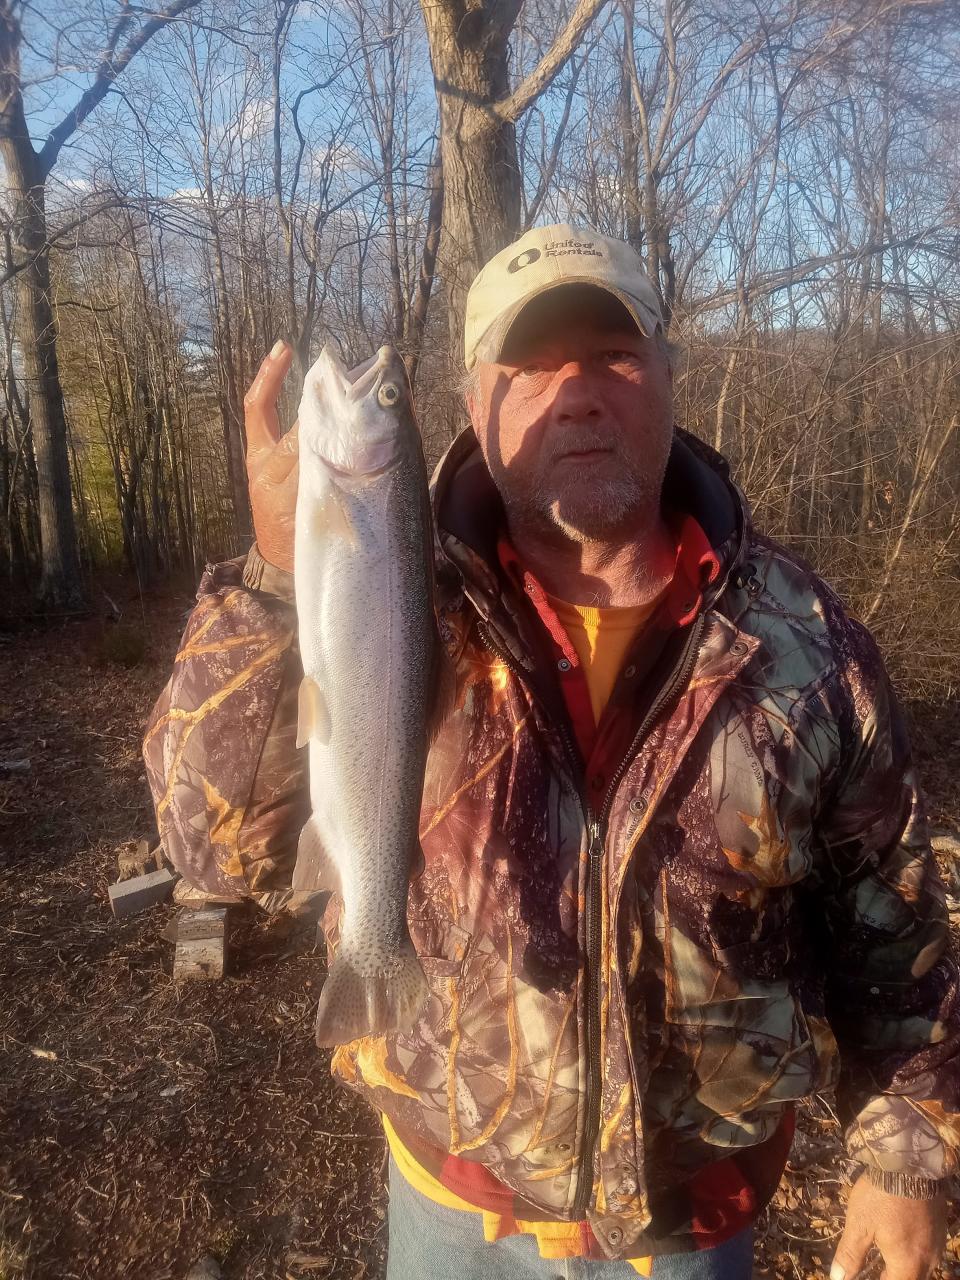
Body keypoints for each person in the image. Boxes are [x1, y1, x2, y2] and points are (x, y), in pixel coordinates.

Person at [144, 225, 959, 1279]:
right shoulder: (402, 597)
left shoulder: (806, 645)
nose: (575, 391)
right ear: (475, 403)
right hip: (453, 1201)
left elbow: (896, 927)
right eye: (530, 364)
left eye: (614, 356)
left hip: (694, 1222)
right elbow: (213, 848)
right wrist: (270, 572)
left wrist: (906, 1160)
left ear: (670, 375)